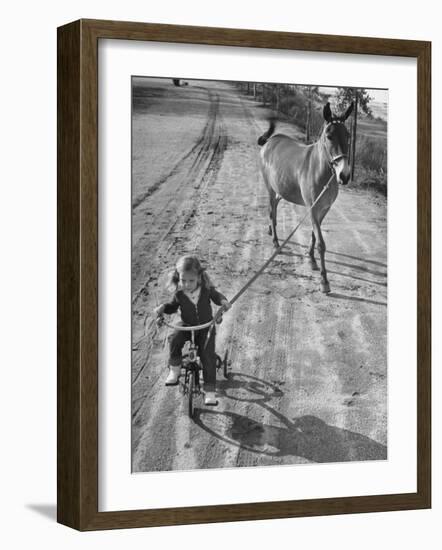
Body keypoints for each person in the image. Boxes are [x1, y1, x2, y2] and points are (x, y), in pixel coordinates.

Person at [154, 255, 231, 406]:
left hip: (205, 327)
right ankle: (175, 369)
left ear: (199, 278)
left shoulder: (207, 290)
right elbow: (171, 306)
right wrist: (162, 308)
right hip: (187, 325)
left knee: (207, 357)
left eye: (191, 281)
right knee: (174, 338)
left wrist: (223, 301)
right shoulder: (179, 294)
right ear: (178, 278)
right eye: (183, 280)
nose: (187, 284)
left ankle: (209, 391)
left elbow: (217, 296)